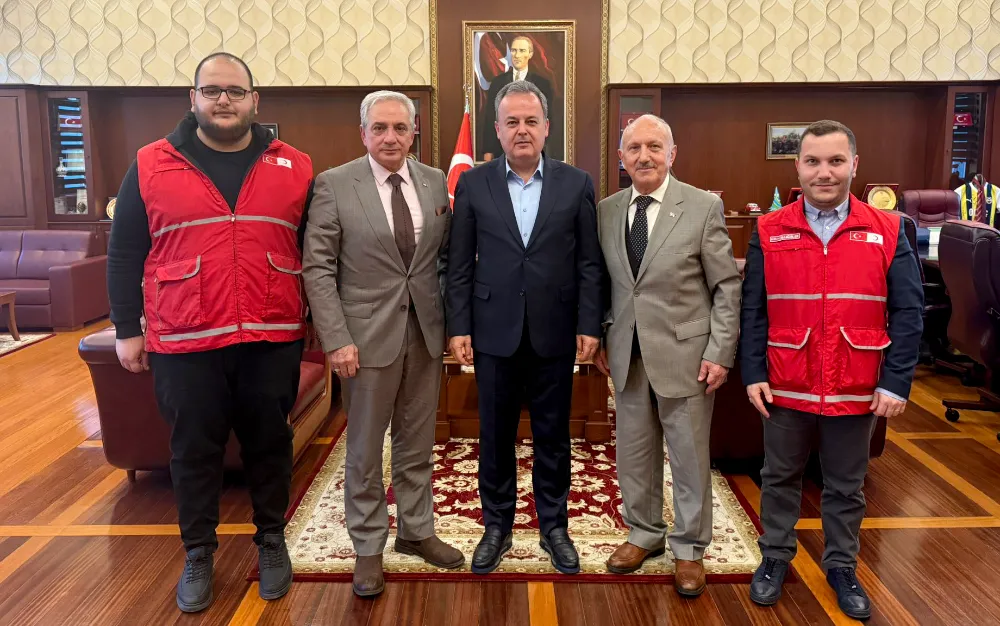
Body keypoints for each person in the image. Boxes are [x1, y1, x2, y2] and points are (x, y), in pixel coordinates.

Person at [106, 53, 312, 612]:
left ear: (254, 101)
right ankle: (198, 551)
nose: (224, 100)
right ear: (192, 98)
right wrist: (126, 327)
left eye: (235, 91)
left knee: (271, 443)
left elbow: (315, 250)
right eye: (213, 90)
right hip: (184, 337)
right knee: (193, 449)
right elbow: (125, 252)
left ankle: (271, 539)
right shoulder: (151, 163)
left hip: (271, 333)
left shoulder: (294, 164)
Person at [740, 119, 923, 620]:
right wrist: (752, 371)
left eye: (836, 161)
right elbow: (753, 309)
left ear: (854, 165)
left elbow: (909, 311)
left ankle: (841, 565)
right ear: (798, 167)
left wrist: (896, 381)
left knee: (846, 484)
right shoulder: (768, 229)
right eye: (814, 161)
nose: (825, 172)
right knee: (779, 476)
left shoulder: (889, 228)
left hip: (856, 381)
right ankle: (775, 557)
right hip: (786, 377)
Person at [301, 90, 464, 597]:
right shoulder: (334, 184)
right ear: (363, 133)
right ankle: (368, 544)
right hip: (363, 340)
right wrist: (336, 339)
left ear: (414, 132)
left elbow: (443, 260)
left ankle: (416, 531)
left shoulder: (434, 180)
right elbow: (318, 268)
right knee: (365, 450)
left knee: (417, 441)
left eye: (400, 128)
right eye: (380, 128)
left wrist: (450, 323)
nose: (390, 137)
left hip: (425, 333)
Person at [446, 80, 602, 576]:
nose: (522, 130)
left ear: (547, 128)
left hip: (556, 330)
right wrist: (459, 326)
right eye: (512, 122)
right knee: (495, 436)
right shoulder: (474, 184)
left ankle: (554, 527)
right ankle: (497, 527)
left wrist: (589, 323)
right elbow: (458, 265)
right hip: (493, 331)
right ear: (497, 129)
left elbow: (589, 264)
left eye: (531, 121)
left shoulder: (576, 183)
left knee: (553, 436)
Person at [593, 114, 741, 596]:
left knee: (689, 457)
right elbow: (606, 283)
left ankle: (690, 548)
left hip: (688, 356)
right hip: (627, 354)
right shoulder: (607, 210)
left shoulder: (702, 206)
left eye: (654, 147)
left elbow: (726, 286)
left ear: (672, 154)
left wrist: (720, 352)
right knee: (633, 454)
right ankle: (644, 533)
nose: (644, 157)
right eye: (634, 148)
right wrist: (602, 334)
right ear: (621, 158)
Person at [481, 36, 556, 161]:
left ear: (530, 54)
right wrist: (488, 151)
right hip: (502, 152)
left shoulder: (542, 84)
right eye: (514, 50)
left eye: (522, 51)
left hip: (534, 152)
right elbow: (490, 119)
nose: (516, 55)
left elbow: (548, 119)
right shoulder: (497, 83)